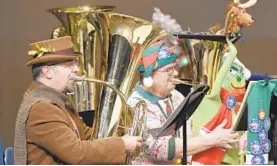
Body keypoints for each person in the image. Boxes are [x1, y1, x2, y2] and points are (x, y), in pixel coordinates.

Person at [14, 36, 143, 165]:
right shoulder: (42, 108)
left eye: (75, 63)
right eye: (69, 64)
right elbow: (76, 153)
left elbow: (86, 135)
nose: (76, 69)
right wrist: (121, 144)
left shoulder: (57, 102)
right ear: (47, 72)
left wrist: (122, 133)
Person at [127, 40, 239, 165]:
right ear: (149, 74)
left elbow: (188, 137)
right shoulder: (135, 105)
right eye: (168, 69)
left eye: (175, 67)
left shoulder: (176, 96)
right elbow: (164, 149)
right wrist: (212, 139)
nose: (175, 73)